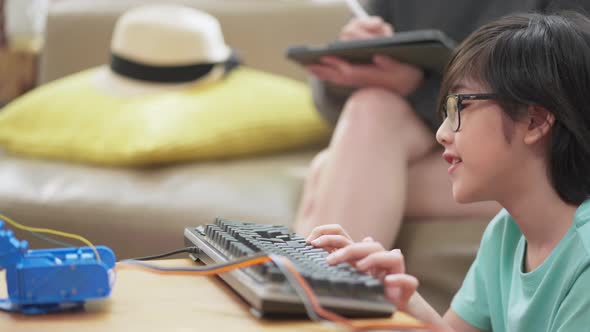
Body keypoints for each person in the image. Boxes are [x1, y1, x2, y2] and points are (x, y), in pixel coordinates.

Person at [306, 11, 590, 331]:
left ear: (535, 121)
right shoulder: (506, 232)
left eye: (459, 108)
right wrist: (402, 300)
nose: (442, 133)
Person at [293, 0, 590, 246]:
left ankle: (317, 294)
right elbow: (328, 105)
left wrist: (417, 87)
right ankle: (320, 291)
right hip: (431, 130)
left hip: (548, 151)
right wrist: (349, 67)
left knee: (328, 171)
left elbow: (571, 97)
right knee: (371, 106)